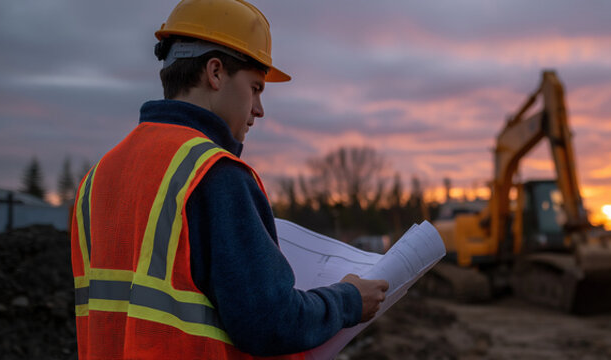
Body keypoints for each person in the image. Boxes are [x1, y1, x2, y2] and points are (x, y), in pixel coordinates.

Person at [68, 0, 388, 358]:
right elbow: (270, 321)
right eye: (255, 88)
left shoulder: (97, 178)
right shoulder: (214, 173)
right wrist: (347, 301)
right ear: (216, 73)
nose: (259, 110)